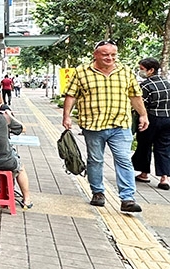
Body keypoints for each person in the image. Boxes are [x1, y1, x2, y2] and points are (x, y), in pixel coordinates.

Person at [62, 40, 149, 214]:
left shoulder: (125, 72)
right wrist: (66, 116)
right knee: (95, 160)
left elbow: (135, 96)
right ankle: (98, 192)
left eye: (113, 55)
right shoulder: (82, 72)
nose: (110, 58)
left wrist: (143, 115)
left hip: (120, 124)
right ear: (96, 55)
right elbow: (71, 95)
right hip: (93, 125)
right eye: (105, 54)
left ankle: (127, 198)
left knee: (123, 159)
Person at [132, 58, 170, 190]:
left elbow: (141, 104)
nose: (140, 71)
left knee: (144, 145)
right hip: (167, 119)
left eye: (142, 69)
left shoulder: (146, 85)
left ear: (151, 70)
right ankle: (164, 178)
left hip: (151, 118)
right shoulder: (167, 83)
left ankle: (144, 174)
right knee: (164, 147)